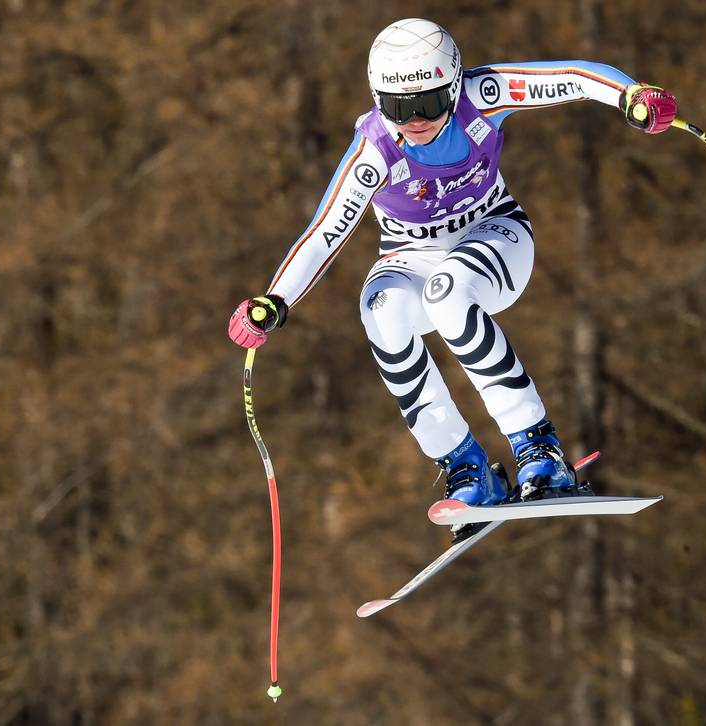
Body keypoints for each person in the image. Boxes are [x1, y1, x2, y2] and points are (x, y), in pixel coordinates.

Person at [227, 18, 677, 540]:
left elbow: (571, 77)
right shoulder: (374, 152)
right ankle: (466, 466)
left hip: (496, 235)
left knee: (448, 293)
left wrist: (631, 95)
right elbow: (326, 231)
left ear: (454, 85)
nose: (416, 120)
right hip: (412, 255)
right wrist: (274, 301)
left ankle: (538, 447)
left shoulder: (481, 96)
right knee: (381, 310)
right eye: (399, 108)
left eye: (430, 103)